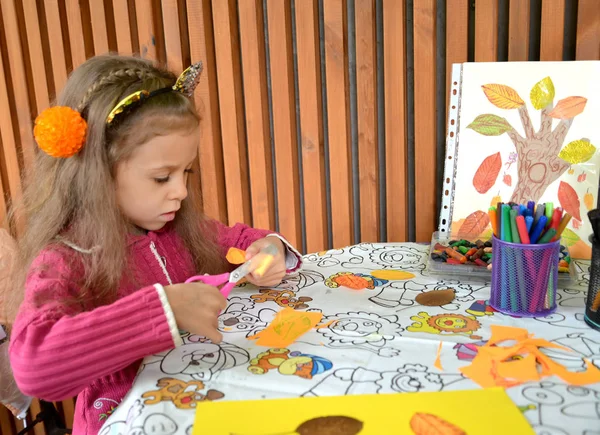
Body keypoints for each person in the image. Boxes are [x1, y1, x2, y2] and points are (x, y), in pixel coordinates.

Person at [8, 54, 302, 434]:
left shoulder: (177, 230)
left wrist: (268, 249)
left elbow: (238, 242)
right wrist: (164, 310)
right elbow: (33, 366)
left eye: (186, 173)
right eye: (163, 177)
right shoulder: (66, 260)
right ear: (99, 174)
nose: (180, 192)